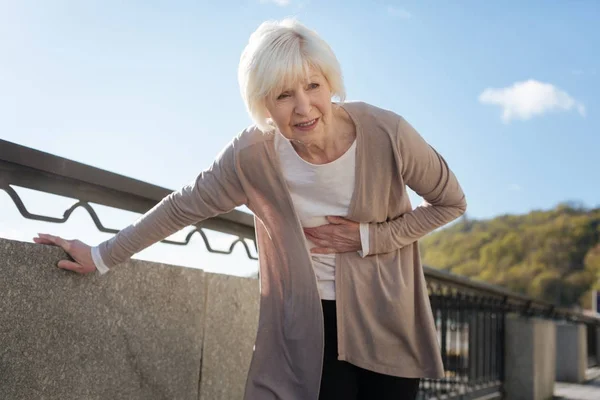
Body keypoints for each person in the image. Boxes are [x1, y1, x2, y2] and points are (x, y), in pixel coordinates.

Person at [34, 18, 466, 400]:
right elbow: (182, 206)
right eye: (283, 95)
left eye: (313, 86)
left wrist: (368, 237)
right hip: (308, 322)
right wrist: (101, 255)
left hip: (387, 314)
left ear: (330, 82)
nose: (303, 107)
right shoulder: (251, 156)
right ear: (263, 104)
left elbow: (451, 202)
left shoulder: (386, 131)